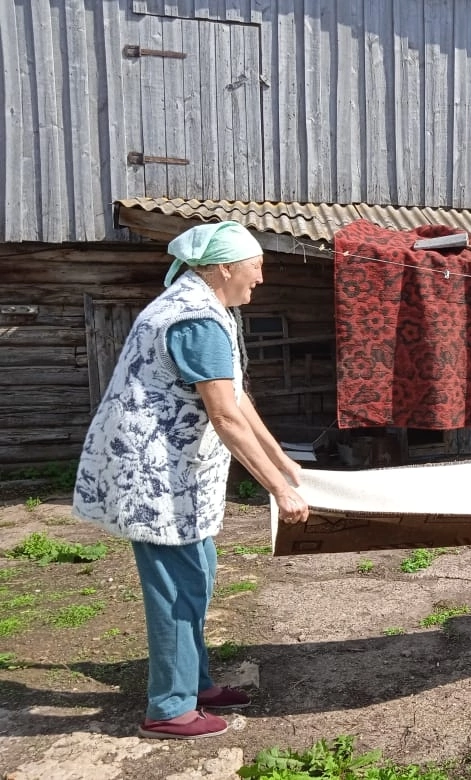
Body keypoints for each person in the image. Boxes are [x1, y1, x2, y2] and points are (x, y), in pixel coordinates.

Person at [73, 221, 310, 739]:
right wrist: (278, 489)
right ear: (224, 267)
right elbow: (224, 417)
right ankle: (169, 707)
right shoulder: (195, 319)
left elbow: (238, 397)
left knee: (197, 571)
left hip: (174, 472)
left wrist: (282, 458)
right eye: (257, 267)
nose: (261, 279)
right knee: (178, 587)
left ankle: (194, 683)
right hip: (154, 474)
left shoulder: (204, 307)